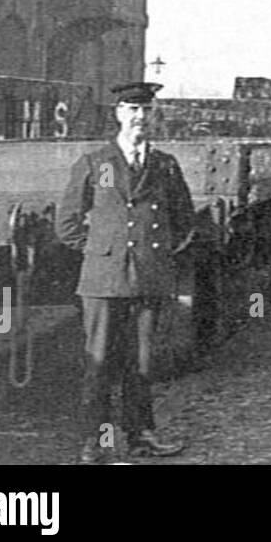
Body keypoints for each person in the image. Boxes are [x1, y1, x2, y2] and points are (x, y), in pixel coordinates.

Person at [56, 81, 195, 463]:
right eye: (133, 110)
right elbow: (66, 224)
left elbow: (184, 221)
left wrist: (161, 254)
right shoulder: (94, 164)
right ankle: (96, 443)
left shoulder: (165, 165)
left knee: (142, 364)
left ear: (154, 115)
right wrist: (102, 250)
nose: (140, 118)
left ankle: (141, 436)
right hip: (103, 282)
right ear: (118, 113)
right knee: (98, 364)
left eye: (147, 111)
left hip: (149, 279)